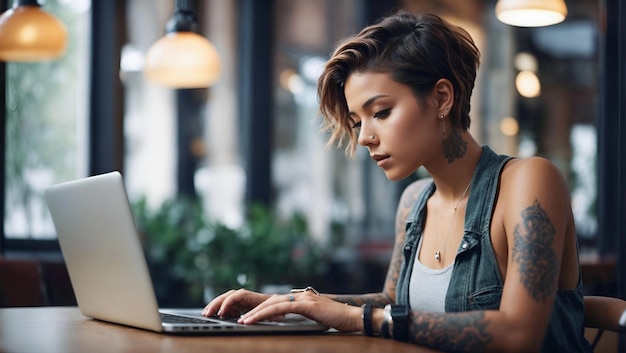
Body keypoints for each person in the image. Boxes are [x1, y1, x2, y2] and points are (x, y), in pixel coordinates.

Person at [203, 10, 592, 353]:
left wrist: (362, 319)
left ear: (442, 98)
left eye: (382, 112)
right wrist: (296, 303)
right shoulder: (413, 202)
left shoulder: (529, 182)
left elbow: (518, 333)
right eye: (358, 122)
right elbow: (393, 299)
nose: (364, 138)